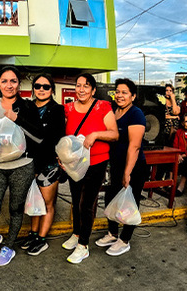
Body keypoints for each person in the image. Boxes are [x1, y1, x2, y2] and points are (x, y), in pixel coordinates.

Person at [0, 66, 44, 266]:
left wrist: (17, 119)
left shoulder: (28, 107)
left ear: (18, 84)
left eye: (13, 81)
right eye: (4, 81)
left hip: (23, 165)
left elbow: (39, 136)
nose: (9, 85)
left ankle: (10, 246)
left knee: (15, 207)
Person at [61, 73, 118, 264]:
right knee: (76, 201)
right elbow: (64, 138)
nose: (81, 89)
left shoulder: (103, 106)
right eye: (78, 85)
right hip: (74, 164)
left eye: (86, 86)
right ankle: (77, 234)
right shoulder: (68, 108)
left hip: (96, 162)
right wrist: (62, 157)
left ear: (93, 89)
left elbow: (114, 134)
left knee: (87, 204)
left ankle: (83, 245)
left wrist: (95, 134)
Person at [97, 78, 149, 256]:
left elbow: (134, 146)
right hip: (117, 165)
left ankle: (125, 240)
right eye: (117, 91)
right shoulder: (114, 111)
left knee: (129, 204)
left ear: (133, 96)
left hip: (134, 167)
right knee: (111, 198)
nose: (119, 95)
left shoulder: (136, 114)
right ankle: (112, 233)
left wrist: (127, 173)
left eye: (124, 92)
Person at [20, 74, 65, 256]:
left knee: (46, 203)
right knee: (33, 201)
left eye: (46, 87)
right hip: (28, 162)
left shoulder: (57, 110)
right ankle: (33, 234)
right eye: (38, 86)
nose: (41, 89)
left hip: (48, 165)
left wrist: (38, 166)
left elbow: (54, 139)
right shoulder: (27, 107)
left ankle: (42, 238)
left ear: (52, 90)